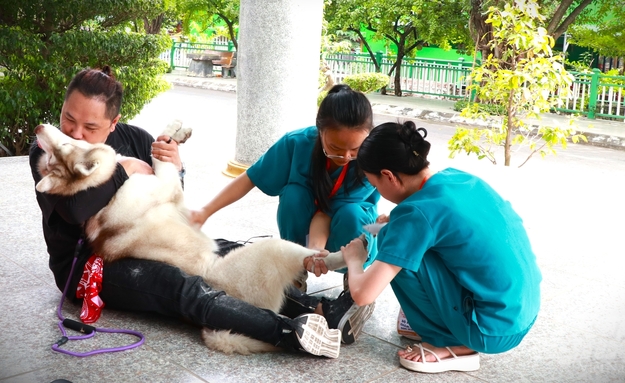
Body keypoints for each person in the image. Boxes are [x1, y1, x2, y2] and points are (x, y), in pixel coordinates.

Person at [29, 66, 363, 357]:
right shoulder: (49, 154)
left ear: (114, 122)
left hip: (150, 241)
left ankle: (320, 311)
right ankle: (289, 333)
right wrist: (123, 168)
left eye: (90, 127)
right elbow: (75, 208)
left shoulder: (135, 139)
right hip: (92, 266)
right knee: (184, 286)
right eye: (68, 119)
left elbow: (168, 201)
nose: (75, 133)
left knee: (230, 254)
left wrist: (178, 168)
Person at [315, 120, 543, 373]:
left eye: (375, 183)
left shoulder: (416, 215)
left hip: (488, 331)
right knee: (399, 238)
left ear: (389, 176)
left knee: (395, 245)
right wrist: (397, 223)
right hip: (519, 314)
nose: (377, 189)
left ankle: (449, 343)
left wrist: (355, 259)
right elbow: (447, 219)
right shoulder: (458, 178)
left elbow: (363, 295)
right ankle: (451, 330)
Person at [190, 84, 380, 341]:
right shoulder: (296, 143)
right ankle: (296, 271)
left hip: (348, 231)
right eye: (335, 148)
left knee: (350, 213)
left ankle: (356, 286)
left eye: (354, 150)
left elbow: (326, 214)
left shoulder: (370, 159)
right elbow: (251, 178)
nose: (345, 157)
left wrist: (316, 251)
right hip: (312, 231)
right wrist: (205, 211)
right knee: (293, 195)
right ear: (319, 130)